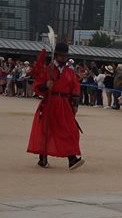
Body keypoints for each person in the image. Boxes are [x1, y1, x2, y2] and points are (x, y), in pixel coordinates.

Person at [28, 42, 85, 170]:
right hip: (50, 102)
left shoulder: (70, 72)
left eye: (65, 56)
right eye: (61, 55)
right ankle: (43, 158)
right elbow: (37, 87)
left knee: (70, 130)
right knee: (45, 130)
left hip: (64, 105)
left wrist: (75, 104)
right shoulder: (47, 70)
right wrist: (45, 86)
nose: (64, 58)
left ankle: (72, 159)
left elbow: (75, 88)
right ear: (56, 56)